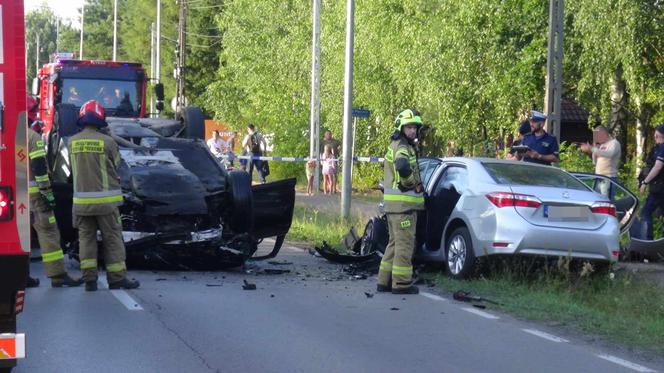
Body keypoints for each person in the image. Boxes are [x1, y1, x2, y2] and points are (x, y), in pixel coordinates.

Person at [70, 100, 139, 291]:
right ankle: (116, 279)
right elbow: (118, 166)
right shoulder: (108, 142)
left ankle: (89, 280)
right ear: (101, 119)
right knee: (112, 239)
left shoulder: (72, 142)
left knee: (86, 240)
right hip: (106, 204)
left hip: (81, 204)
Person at [377, 109, 425, 295]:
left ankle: (384, 281)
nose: (413, 130)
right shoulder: (403, 147)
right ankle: (401, 284)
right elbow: (403, 166)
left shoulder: (394, 144)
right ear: (401, 127)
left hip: (393, 207)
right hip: (404, 207)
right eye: (409, 127)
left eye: (415, 127)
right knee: (404, 245)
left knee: (394, 244)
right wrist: (411, 183)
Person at [638, 124, 664, 240]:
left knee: (645, 212)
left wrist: (644, 182)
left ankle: (647, 244)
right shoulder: (658, 148)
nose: (654, 136)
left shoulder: (662, 148)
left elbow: (657, 167)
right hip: (659, 188)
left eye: (656, 134)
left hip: (659, 189)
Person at [580, 125, 621, 197]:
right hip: (598, 176)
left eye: (597, 136)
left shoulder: (614, 143)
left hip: (608, 177)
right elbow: (594, 162)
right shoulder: (601, 145)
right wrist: (593, 149)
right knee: (597, 200)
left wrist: (593, 149)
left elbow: (609, 154)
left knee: (606, 201)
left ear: (604, 133)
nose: (596, 138)